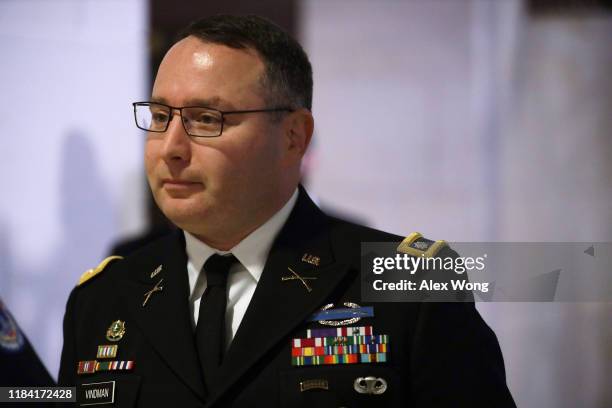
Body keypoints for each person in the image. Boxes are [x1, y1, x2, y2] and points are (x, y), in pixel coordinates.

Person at [58, 15, 515, 407]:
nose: (171, 148)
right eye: (160, 117)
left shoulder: (411, 288)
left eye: (206, 119)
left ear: (293, 136)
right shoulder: (102, 301)